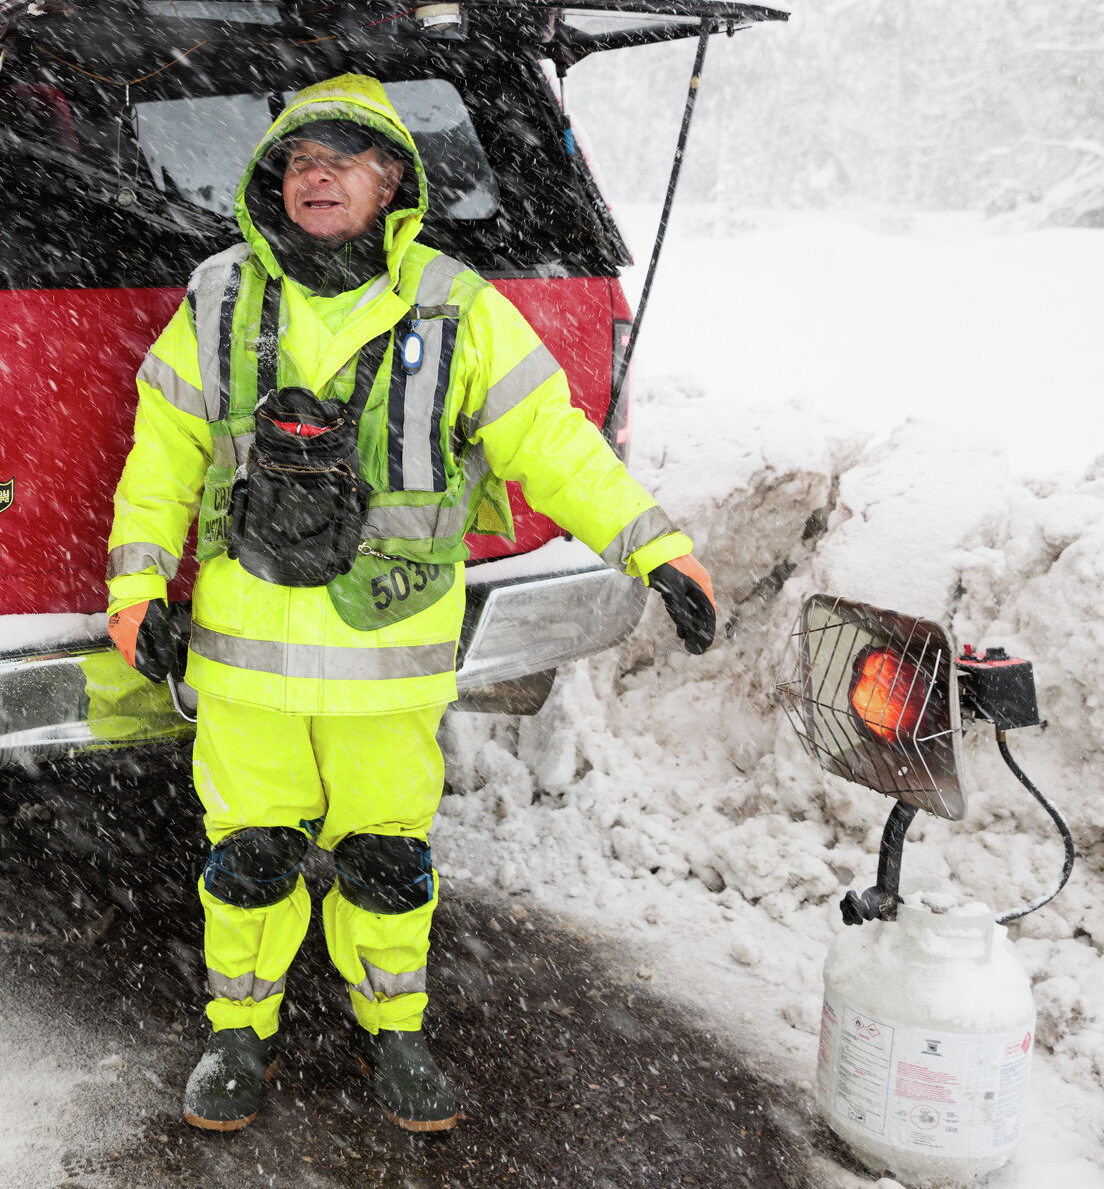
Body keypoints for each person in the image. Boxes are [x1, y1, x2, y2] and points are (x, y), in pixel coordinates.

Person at [105, 74, 718, 1134]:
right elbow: (160, 453)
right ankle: (235, 1035)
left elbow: (554, 445)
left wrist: (653, 546)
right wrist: (135, 587)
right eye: (299, 160)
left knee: (386, 863)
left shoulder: (457, 306)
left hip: (388, 659)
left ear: (393, 179)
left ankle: (395, 1031)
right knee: (246, 860)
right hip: (246, 663)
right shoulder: (218, 295)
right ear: (272, 180)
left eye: (343, 158)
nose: (317, 176)